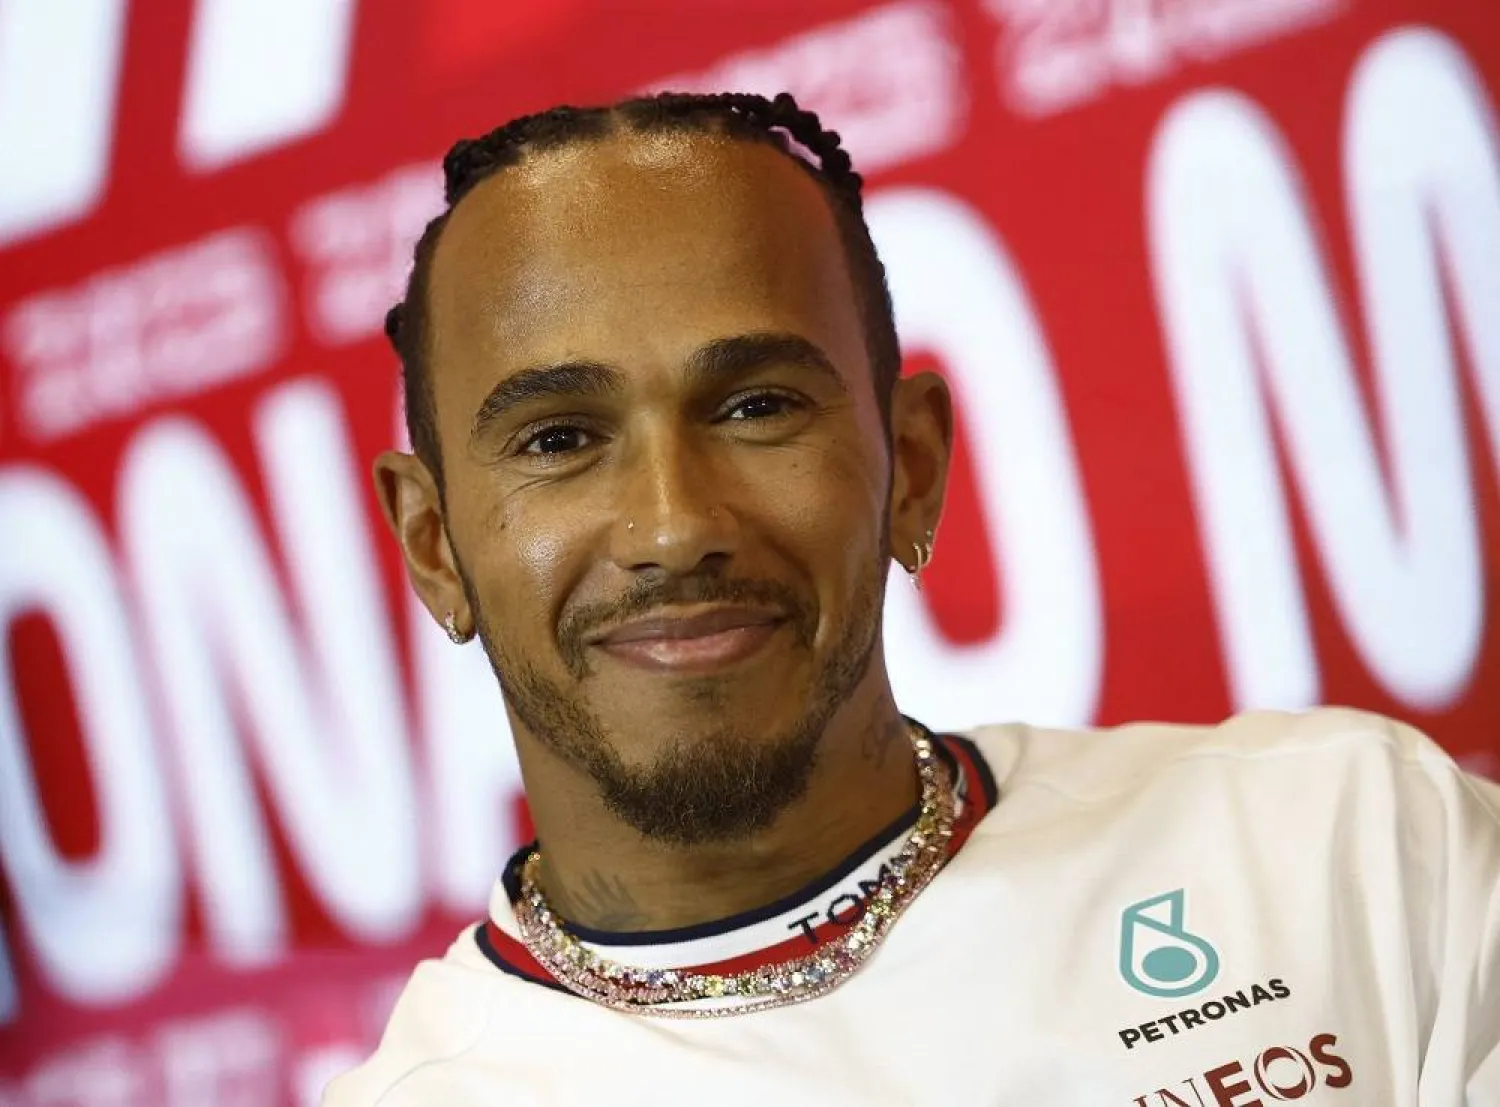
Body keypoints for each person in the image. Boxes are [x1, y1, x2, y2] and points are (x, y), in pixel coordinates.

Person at [322, 91, 1499, 1106]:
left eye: (756, 408)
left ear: (914, 466)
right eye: (559, 438)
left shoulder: (1348, 851)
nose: (675, 526)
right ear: (433, 544)